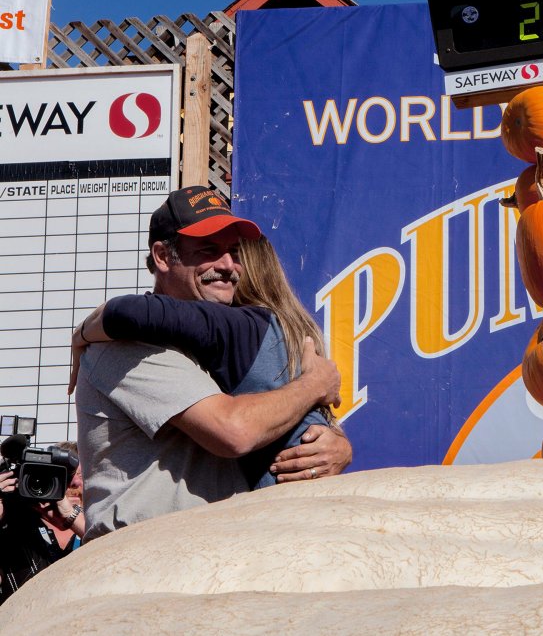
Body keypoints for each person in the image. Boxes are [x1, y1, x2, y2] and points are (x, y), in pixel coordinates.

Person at [72, 185, 349, 541]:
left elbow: (284, 417)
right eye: (208, 250)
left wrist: (335, 446)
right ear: (162, 256)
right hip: (147, 558)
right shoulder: (128, 346)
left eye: (233, 253)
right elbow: (235, 430)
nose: (228, 267)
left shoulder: (228, 339)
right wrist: (312, 385)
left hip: (221, 554)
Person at [1, 442, 85, 604]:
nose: (75, 483)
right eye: (66, 474)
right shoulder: (12, 525)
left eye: (82, 475)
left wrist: (71, 516)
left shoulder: (98, 525)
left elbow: (120, 551)